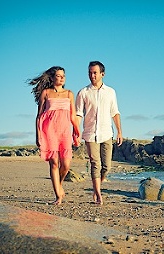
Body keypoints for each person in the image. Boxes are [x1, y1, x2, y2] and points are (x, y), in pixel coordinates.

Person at [29, 66, 81, 205]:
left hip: (64, 131)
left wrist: (76, 131)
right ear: (52, 78)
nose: (62, 77)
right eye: (58, 75)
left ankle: (59, 184)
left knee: (66, 165)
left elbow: (73, 115)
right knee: (54, 163)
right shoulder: (46, 93)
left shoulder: (69, 94)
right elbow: (39, 116)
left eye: (63, 75)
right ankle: (58, 195)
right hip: (49, 131)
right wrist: (38, 135)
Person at [75, 61, 123, 205]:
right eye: (90, 72)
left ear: (102, 74)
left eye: (95, 72)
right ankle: (98, 194)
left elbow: (115, 113)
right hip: (90, 134)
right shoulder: (83, 92)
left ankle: (97, 187)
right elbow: (78, 114)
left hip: (107, 133)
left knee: (106, 166)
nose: (92, 75)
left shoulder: (110, 92)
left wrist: (119, 132)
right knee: (95, 163)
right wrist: (76, 133)